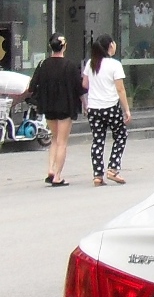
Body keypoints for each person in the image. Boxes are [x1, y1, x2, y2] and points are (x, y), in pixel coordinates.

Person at [27, 35, 83, 187]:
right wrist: (86, 104)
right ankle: (57, 176)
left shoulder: (43, 64)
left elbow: (32, 87)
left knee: (54, 138)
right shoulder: (70, 65)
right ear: (64, 46)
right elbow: (79, 88)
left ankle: (51, 169)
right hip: (66, 107)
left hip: (48, 106)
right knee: (62, 142)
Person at [82, 36, 131, 187]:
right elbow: (120, 89)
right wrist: (126, 109)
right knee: (121, 135)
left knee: (98, 140)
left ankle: (97, 175)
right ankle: (113, 168)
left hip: (94, 108)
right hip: (110, 107)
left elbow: (85, 84)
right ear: (110, 46)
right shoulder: (115, 65)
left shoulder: (91, 63)